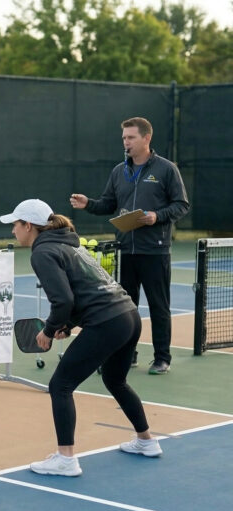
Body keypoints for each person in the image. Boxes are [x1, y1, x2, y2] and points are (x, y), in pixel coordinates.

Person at [0, 199, 162, 477]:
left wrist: (49, 330)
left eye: (15, 224)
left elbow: (63, 300)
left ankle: (65, 459)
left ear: (29, 226)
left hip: (108, 321)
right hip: (128, 315)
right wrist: (70, 324)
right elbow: (85, 290)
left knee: (60, 385)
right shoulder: (69, 244)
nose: (13, 230)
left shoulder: (43, 252)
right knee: (115, 380)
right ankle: (146, 441)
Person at [70, 117, 190, 375]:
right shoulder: (118, 171)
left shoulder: (167, 169)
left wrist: (157, 216)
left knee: (159, 307)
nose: (126, 142)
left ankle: (162, 358)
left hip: (155, 251)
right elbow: (108, 204)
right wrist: (88, 203)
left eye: (131, 137)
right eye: (124, 138)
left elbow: (181, 204)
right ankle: (127, 355)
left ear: (146, 139)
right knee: (125, 308)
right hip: (124, 252)